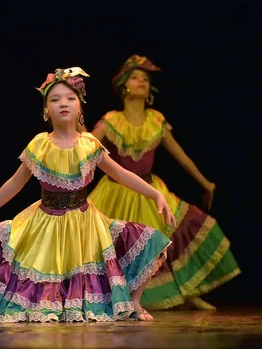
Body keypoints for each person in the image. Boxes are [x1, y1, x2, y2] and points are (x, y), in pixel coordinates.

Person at [0, 67, 175, 323]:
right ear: (46, 108)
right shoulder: (39, 144)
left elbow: (122, 174)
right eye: (55, 99)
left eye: (70, 98)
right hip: (45, 222)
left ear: (80, 107)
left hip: (85, 225)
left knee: (151, 241)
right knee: (27, 265)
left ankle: (133, 303)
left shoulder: (90, 144)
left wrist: (155, 194)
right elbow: (15, 183)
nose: (63, 104)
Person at [88, 54, 240, 310]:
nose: (141, 82)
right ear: (123, 86)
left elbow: (182, 158)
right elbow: (87, 146)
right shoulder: (111, 120)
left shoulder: (155, 120)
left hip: (150, 190)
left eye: (145, 79)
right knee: (115, 245)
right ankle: (111, 298)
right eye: (135, 77)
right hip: (117, 191)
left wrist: (206, 184)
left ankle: (188, 291)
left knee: (172, 238)